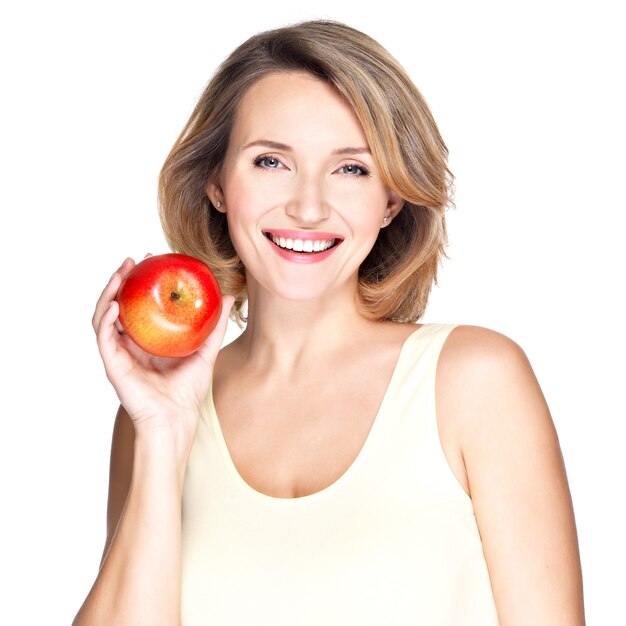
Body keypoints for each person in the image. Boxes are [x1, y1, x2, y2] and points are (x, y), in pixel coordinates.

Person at [74, 20, 585, 625]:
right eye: (270, 161)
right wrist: (162, 433)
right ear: (216, 183)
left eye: (351, 169)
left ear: (391, 199)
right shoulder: (154, 417)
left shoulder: (475, 382)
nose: (309, 206)